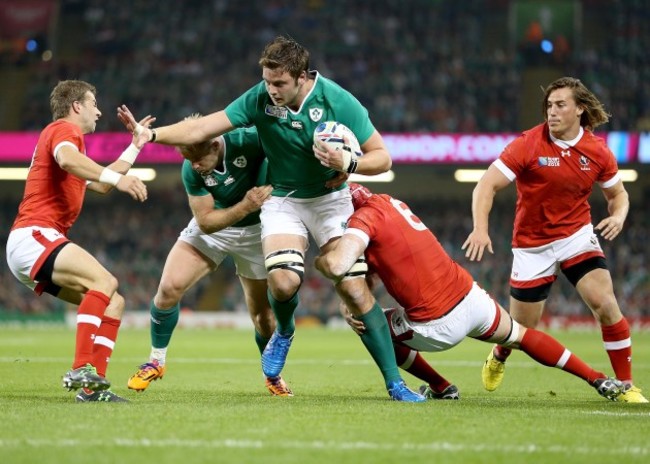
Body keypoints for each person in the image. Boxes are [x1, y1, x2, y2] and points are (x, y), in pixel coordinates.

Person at [118, 35, 423, 402]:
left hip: (330, 200)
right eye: (267, 80)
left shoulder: (337, 100)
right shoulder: (259, 99)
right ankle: (285, 332)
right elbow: (203, 128)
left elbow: (383, 158)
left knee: (356, 292)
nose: (271, 90)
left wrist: (349, 163)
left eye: (279, 83)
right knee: (281, 282)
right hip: (285, 200)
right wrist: (150, 134)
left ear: (301, 77)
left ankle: (395, 384)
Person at [315, 183, 625, 402]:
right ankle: (596, 377)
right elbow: (388, 258)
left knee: (368, 323)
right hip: (470, 296)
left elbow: (339, 264)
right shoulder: (390, 202)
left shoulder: (362, 219)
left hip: (436, 324)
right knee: (520, 335)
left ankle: (439, 385)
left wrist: (320, 259)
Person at [462, 76, 647, 403]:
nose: (552, 111)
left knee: (606, 303)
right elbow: (485, 186)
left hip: (576, 236)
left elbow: (618, 194)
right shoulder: (528, 144)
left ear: (580, 109)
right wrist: (480, 228)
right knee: (522, 330)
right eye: (549, 105)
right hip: (531, 246)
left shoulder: (598, 151)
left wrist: (618, 216)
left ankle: (626, 385)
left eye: (560, 105)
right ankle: (500, 355)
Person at [126, 113, 292, 396]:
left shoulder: (249, 140)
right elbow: (205, 221)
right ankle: (156, 361)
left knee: (264, 319)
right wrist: (245, 206)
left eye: (198, 158)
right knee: (168, 287)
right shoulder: (192, 168)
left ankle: (272, 375)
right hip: (216, 226)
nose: (194, 166)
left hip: (257, 232)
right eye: (187, 159)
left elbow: (288, 143)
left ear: (215, 145)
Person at [6, 80, 150, 402]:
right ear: (76, 106)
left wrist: (136, 145)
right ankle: (81, 367)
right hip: (34, 234)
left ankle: (91, 389)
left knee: (114, 301)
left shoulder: (73, 147)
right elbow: (71, 162)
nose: (98, 110)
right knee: (104, 280)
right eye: (94, 103)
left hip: (32, 244)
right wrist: (119, 179)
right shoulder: (63, 131)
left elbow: (100, 184)